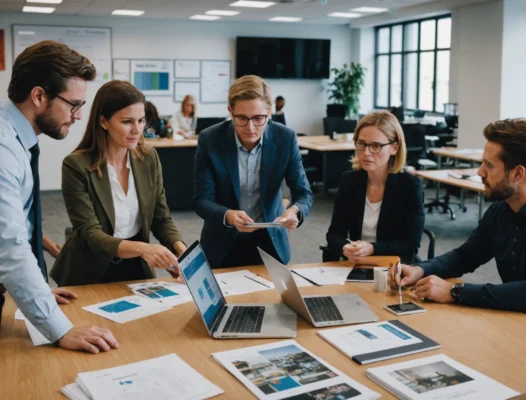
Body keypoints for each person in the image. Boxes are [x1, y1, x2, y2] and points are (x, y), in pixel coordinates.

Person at [0, 40, 118, 353]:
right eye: (73, 104)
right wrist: (59, 328)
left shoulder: (14, 138)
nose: (78, 116)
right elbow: (9, 247)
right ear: (39, 96)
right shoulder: (3, 150)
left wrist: (34, 293)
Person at [51, 80, 186, 287]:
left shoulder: (148, 158)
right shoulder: (76, 165)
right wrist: (142, 248)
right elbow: (90, 233)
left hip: (136, 266)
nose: (137, 130)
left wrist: (180, 249)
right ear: (104, 122)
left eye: (141, 121)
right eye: (127, 122)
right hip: (89, 270)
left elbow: (160, 218)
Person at [389, 118, 526, 313]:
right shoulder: (500, 212)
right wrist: (420, 269)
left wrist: (455, 291)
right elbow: (465, 256)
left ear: (517, 174)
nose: (480, 172)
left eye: (490, 165)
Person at [193, 75, 313, 268]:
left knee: (273, 298)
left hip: (270, 241)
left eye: (258, 118)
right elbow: (201, 200)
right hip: (222, 241)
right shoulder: (210, 139)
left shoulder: (286, 139)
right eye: (241, 118)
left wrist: (296, 212)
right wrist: (228, 215)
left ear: (270, 112)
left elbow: (304, 193)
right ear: (230, 112)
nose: (250, 128)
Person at [325, 111, 424, 264]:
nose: (366, 153)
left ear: (394, 148)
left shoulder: (410, 185)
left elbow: (409, 246)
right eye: (361, 144)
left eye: (376, 146)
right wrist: (345, 247)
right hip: (355, 265)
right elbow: (334, 235)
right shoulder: (349, 181)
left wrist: (372, 248)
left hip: (393, 269)